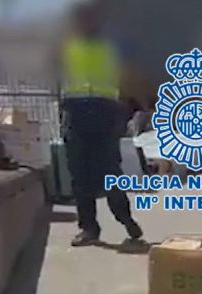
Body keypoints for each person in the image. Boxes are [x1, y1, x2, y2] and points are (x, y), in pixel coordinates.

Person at [58, 0, 142, 246]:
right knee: (79, 174)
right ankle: (89, 228)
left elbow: (130, 75)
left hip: (105, 110)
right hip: (75, 110)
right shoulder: (67, 45)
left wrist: (127, 109)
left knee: (110, 171)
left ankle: (125, 218)